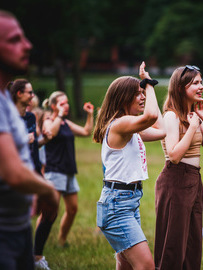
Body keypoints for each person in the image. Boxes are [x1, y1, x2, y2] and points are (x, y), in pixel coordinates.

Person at [0, 10, 58, 270]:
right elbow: (13, 173)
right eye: (14, 40)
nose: (28, 45)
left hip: (18, 226)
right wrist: (47, 190)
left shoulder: (5, 103)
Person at [93, 62, 165, 269]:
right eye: (137, 93)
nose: (143, 97)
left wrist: (146, 87)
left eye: (143, 93)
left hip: (128, 202)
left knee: (126, 265)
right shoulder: (120, 125)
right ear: (123, 97)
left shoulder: (130, 128)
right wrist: (148, 84)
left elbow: (161, 129)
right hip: (117, 205)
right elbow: (151, 117)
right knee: (146, 266)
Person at [154, 64, 203, 270]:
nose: (201, 86)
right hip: (175, 180)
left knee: (193, 243)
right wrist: (192, 128)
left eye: (201, 82)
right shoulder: (171, 116)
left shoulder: (195, 116)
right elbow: (174, 155)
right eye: (195, 83)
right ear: (181, 87)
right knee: (173, 244)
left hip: (194, 180)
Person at [10, 79, 58, 269]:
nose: (32, 96)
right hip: (17, 173)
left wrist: (43, 140)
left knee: (50, 209)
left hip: (35, 171)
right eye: (29, 92)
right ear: (19, 94)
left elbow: (33, 145)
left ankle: (37, 256)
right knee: (19, 217)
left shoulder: (30, 118)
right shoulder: (8, 118)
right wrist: (23, 139)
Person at [42, 90, 94, 247]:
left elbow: (86, 132)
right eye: (62, 103)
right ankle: (38, 247)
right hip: (55, 171)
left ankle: (61, 241)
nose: (66, 105)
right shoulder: (48, 120)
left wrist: (90, 115)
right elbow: (51, 133)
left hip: (69, 170)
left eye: (66, 102)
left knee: (72, 209)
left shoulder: (65, 123)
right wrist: (58, 115)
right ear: (53, 106)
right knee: (50, 211)